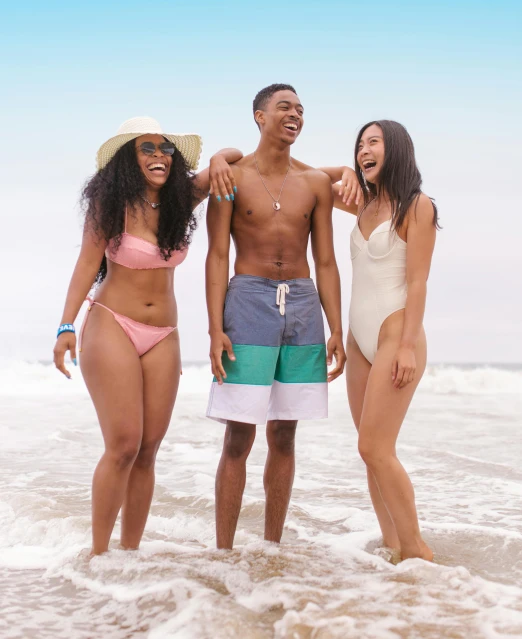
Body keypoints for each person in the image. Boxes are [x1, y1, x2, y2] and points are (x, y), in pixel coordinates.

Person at [53, 116, 242, 555]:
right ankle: (98, 557)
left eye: (166, 149)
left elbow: (235, 155)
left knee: (148, 450)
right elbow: (86, 264)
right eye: (147, 149)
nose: (159, 156)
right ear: (127, 160)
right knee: (123, 444)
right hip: (112, 323)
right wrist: (65, 326)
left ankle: (130, 556)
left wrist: (215, 159)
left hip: (164, 334)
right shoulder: (110, 204)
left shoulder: (182, 199)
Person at [205, 83, 356, 550]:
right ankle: (224, 552)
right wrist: (214, 329)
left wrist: (336, 329)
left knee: (286, 434)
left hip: (304, 302)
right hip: (247, 300)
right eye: (284, 107)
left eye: (301, 109)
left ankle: (273, 547)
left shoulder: (313, 184)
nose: (295, 115)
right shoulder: (230, 176)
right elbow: (215, 256)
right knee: (238, 436)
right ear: (259, 116)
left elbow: (327, 260)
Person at [324, 120, 439, 561]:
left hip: (396, 333)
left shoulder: (418, 206)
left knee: (374, 446)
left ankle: (417, 551)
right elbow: (302, 178)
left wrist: (408, 345)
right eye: (359, 146)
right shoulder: (360, 205)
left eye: (373, 142)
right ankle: (393, 548)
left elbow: (418, 284)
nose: (363, 150)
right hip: (359, 340)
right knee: (369, 453)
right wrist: (344, 171)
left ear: (397, 149)